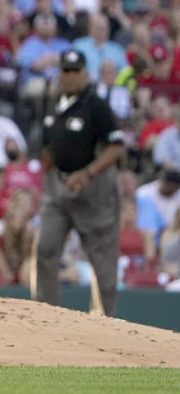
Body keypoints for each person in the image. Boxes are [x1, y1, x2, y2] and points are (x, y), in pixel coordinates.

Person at [36, 50, 125, 316]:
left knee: (102, 259)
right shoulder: (53, 102)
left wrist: (87, 174)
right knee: (46, 248)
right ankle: (45, 315)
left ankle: (105, 319)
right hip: (58, 188)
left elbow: (116, 146)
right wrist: (46, 174)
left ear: (86, 74)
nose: (70, 76)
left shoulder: (96, 104)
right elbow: (47, 146)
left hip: (93, 191)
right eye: (66, 70)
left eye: (76, 71)